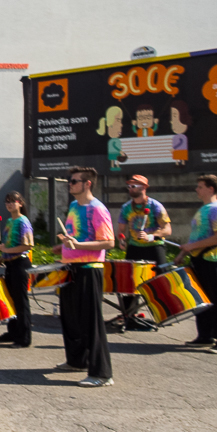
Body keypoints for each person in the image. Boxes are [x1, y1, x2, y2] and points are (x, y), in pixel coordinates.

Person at [53, 166, 115, 387]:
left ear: (87, 183)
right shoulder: (73, 206)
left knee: (91, 321)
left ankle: (102, 373)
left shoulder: (97, 209)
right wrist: (63, 245)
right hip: (71, 267)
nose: (70, 184)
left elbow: (109, 242)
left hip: (90, 268)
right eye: (69, 181)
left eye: (74, 181)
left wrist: (78, 245)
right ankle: (77, 360)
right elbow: (75, 236)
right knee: (70, 317)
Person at [175, 174, 217, 353]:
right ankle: (205, 335)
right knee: (202, 299)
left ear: (211, 189)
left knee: (216, 299)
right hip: (199, 258)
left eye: (200, 186)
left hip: (214, 259)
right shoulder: (204, 209)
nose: (197, 189)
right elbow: (197, 236)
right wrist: (183, 252)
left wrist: (191, 247)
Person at [115, 174, 171, 330]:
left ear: (144, 188)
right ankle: (129, 314)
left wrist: (151, 236)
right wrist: (121, 240)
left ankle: (165, 313)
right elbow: (121, 230)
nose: (130, 189)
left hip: (154, 247)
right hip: (135, 247)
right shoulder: (126, 207)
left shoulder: (155, 206)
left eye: (134, 186)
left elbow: (167, 229)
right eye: (129, 186)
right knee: (129, 282)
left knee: (160, 280)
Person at [0, 191, 34, 347]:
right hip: (10, 264)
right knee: (10, 301)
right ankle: (13, 332)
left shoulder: (23, 221)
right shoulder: (10, 221)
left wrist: (6, 251)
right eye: (7, 201)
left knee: (21, 302)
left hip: (20, 265)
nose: (9, 204)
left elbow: (27, 245)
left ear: (20, 203)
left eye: (13, 201)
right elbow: (9, 246)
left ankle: (24, 338)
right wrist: (2, 257)